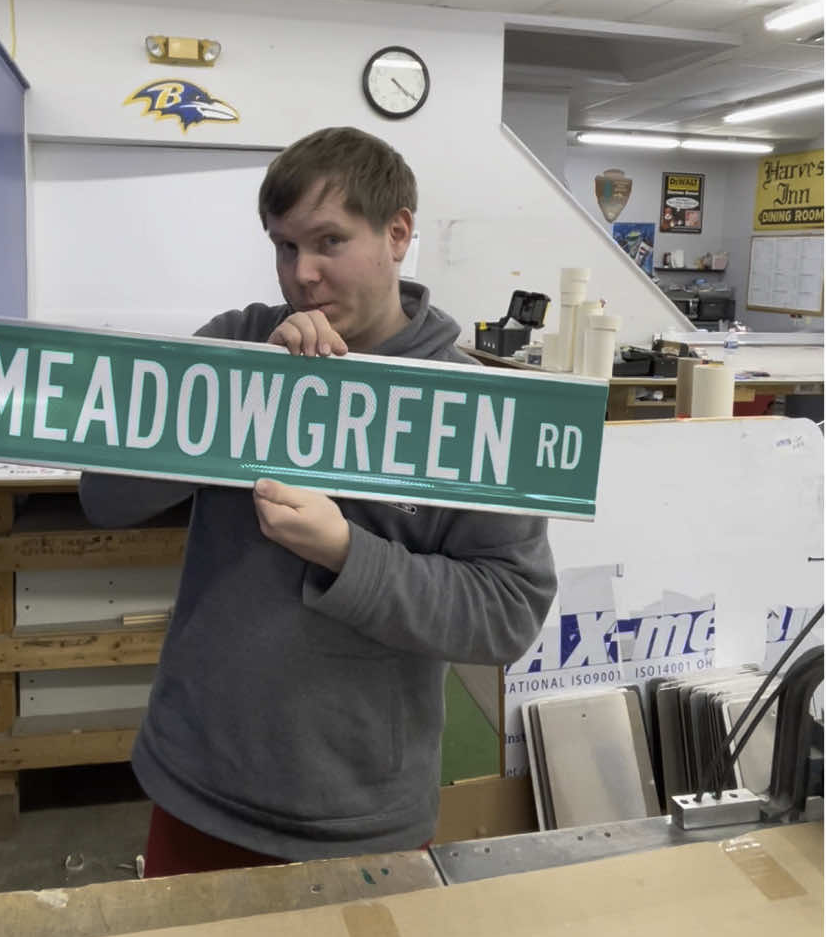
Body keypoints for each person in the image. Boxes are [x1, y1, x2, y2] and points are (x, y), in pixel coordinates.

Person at [79, 127, 556, 876]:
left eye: (329, 240)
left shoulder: (469, 404)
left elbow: (506, 611)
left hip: (360, 817)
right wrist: (245, 394)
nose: (301, 274)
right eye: (282, 244)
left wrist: (346, 553)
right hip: (196, 779)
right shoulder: (240, 341)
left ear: (397, 233)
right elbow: (103, 495)